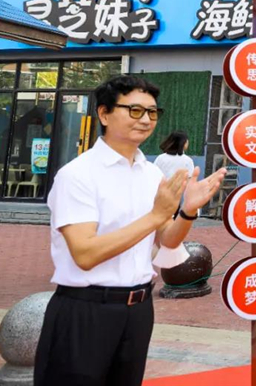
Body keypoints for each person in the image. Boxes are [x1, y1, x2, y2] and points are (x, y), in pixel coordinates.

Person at [34, 76, 227, 386]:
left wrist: (188, 210)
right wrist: (155, 216)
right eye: (134, 110)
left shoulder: (150, 174)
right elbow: (85, 254)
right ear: (104, 114)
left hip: (138, 310)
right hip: (85, 310)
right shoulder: (77, 175)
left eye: (152, 112)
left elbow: (168, 240)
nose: (146, 120)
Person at [154, 131, 196, 217]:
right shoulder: (187, 160)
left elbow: (154, 176)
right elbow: (189, 181)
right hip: (176, 196)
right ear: (183, 143)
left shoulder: (160, 158)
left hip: (160, 195)